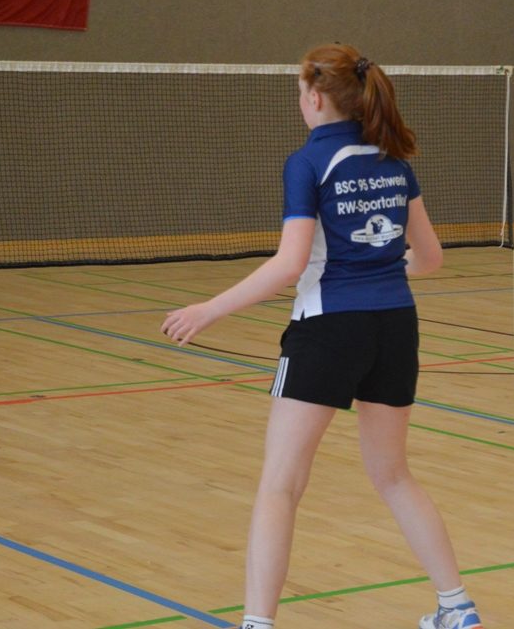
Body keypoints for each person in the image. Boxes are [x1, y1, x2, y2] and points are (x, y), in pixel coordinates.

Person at [162, 43, 483, 629]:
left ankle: (257, 623)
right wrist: (380, 269)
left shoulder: (307, 163)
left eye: (299, 94)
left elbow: (290, 265)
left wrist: (209, 309)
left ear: (314, 98)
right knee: (393, 474)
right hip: (396, 326)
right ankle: (456, 607)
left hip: (328, 329)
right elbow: (431, 258)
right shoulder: (394, 161)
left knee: (280, 485)